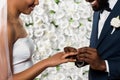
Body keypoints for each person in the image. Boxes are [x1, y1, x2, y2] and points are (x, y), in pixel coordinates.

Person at [5, 0, 77, 80]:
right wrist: (47, 62)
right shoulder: (5, 26)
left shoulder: (16, 20)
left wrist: (57, 58)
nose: (37, 2)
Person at [65, 0, 120, 80]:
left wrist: (104, 65)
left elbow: (101, 63)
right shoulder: (97, 9)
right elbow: (101, 49)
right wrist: (80, 56)